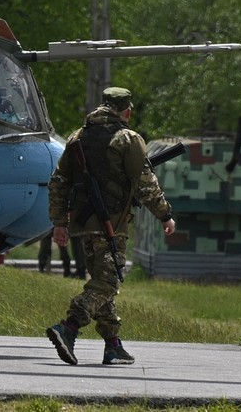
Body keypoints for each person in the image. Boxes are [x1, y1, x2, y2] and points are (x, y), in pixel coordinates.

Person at [44, 87, 175, 366]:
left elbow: (58, 182)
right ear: (126, 111)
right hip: (111, 225)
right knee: (107, 282)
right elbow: (146, 184)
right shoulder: (128, 139)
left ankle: (113, 345)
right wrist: (165, 215)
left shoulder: (77, 137)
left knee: (104, 280)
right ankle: (69, 327)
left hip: (82, 225)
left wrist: (59, 222)